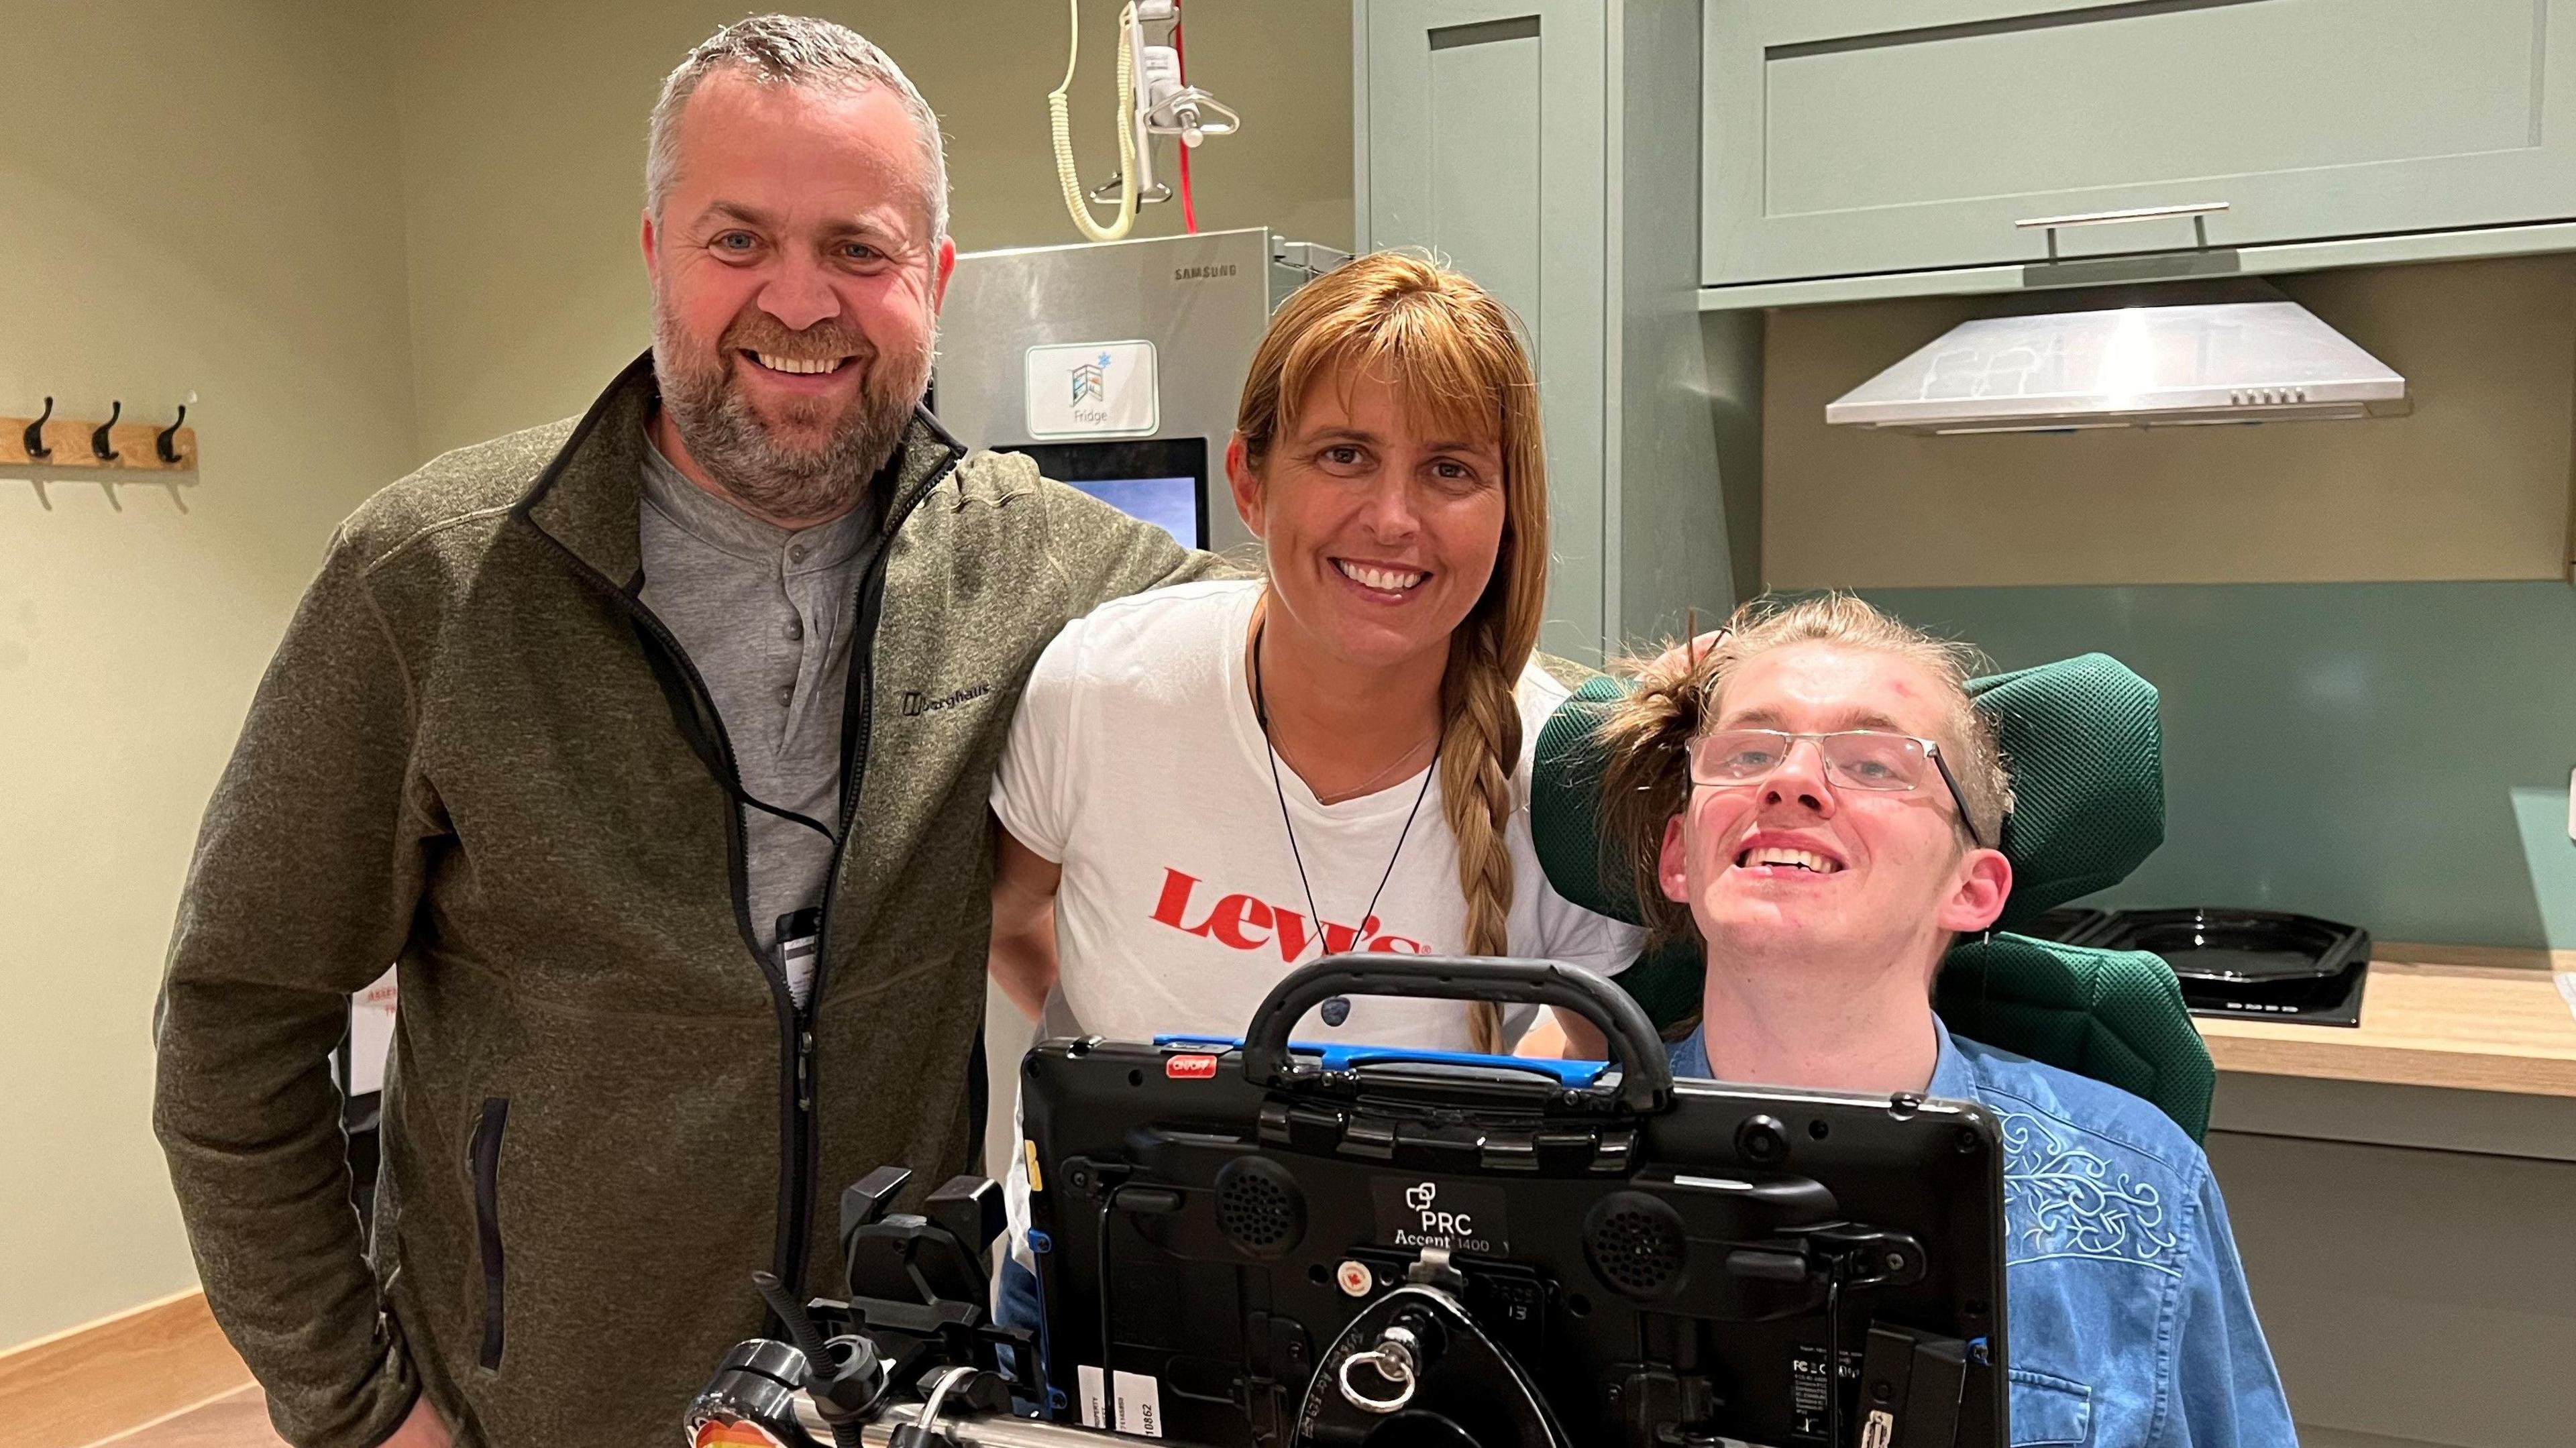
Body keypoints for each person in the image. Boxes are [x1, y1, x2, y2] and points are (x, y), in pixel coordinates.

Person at [151, 19, 1218, 1448]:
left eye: (859, 248)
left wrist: (1606, 763)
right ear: (656, 249)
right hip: (533, 1409)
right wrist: (355, 1405)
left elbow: (1327, 631)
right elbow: (232, 1022)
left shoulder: (1026, 563)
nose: (800, 299)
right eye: (739, 240)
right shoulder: (435, 577)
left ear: (935, 281)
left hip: (883, 1399)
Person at [983, 253, 1643, 1325]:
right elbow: (1013, 917)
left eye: (1450, 470)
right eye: (1344, 454)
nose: (1393, 518)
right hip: (1101, 1273)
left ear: (1508, 506)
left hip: (1418, 1312)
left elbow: (1587, 1044)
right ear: (1252, 478)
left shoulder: (1562, 766)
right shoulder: (1104, 686)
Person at [1593, 594, 2296, 1447]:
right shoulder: (1551, 1165)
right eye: (1748, 752)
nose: (1790, 780)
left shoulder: (2143, 1191)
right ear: (1679, 859)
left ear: (1974, 890)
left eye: (1876, 763)